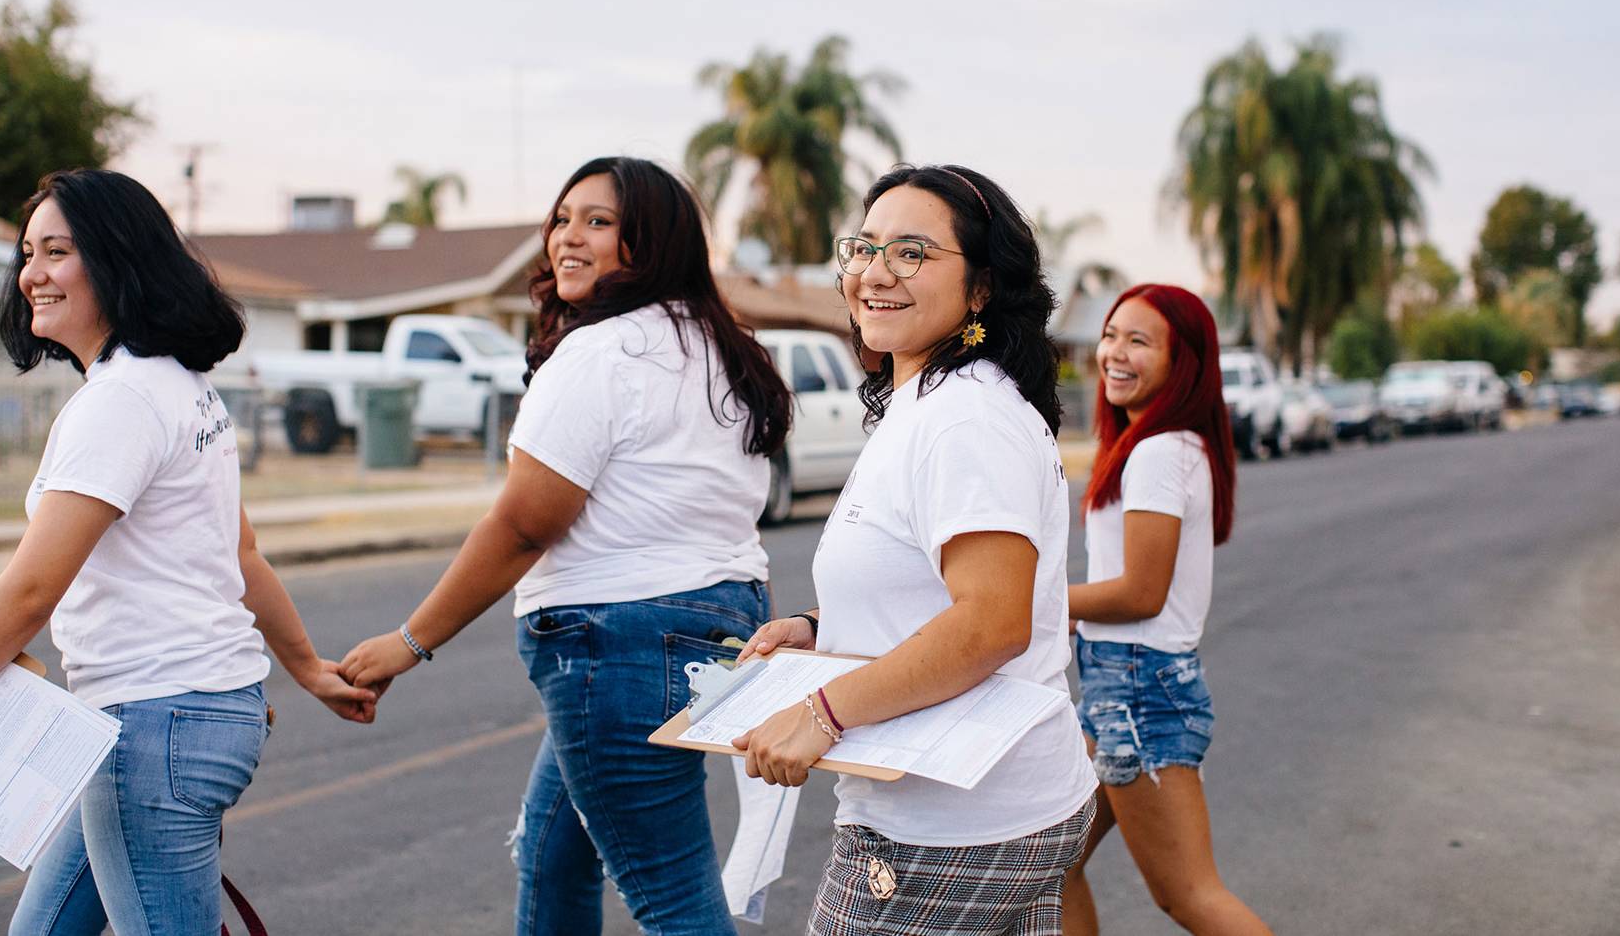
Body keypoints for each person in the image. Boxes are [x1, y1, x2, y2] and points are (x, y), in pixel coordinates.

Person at [339, 156, 791, 936]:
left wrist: (409, 642)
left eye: (599, 222)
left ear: (647, 243)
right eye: (563, 218)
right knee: (553, 854)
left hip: (616, 644)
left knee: (672, 897)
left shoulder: (600, 354)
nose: (567, 238)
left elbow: (524, 525)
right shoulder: (720, 350)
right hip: (713, 627)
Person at [0, 169, 378, 936]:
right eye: (28, 254)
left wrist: (302, 669)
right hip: (168, 721)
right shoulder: (178, 386)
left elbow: (33, 589)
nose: (33, 273)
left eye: (58, 252)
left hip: (154, 729)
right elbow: (238, 553)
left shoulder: (120, 403)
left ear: (115, 261)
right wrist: (306, 668)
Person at [735, 164, 1097, 935]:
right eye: (864, 248)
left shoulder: (965, 419)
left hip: (950, 822)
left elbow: (991, 622)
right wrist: (816, 627)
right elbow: (928, 588)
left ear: (981, 290)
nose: (875, 271)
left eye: (912, 252)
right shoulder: (926, 405)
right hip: (980, 803)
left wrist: (822, 713)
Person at [1059, 284, 1272, 936]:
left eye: (1139, 341)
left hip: (1137, 690)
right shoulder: (1165, 445)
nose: (1115, 353)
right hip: (1118, 688)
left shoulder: (1157, 451)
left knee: (1189, 896)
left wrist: (1034, 603)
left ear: (1183, 363)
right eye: (1111, 335)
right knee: (1049, 862)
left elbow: (1140, 594)